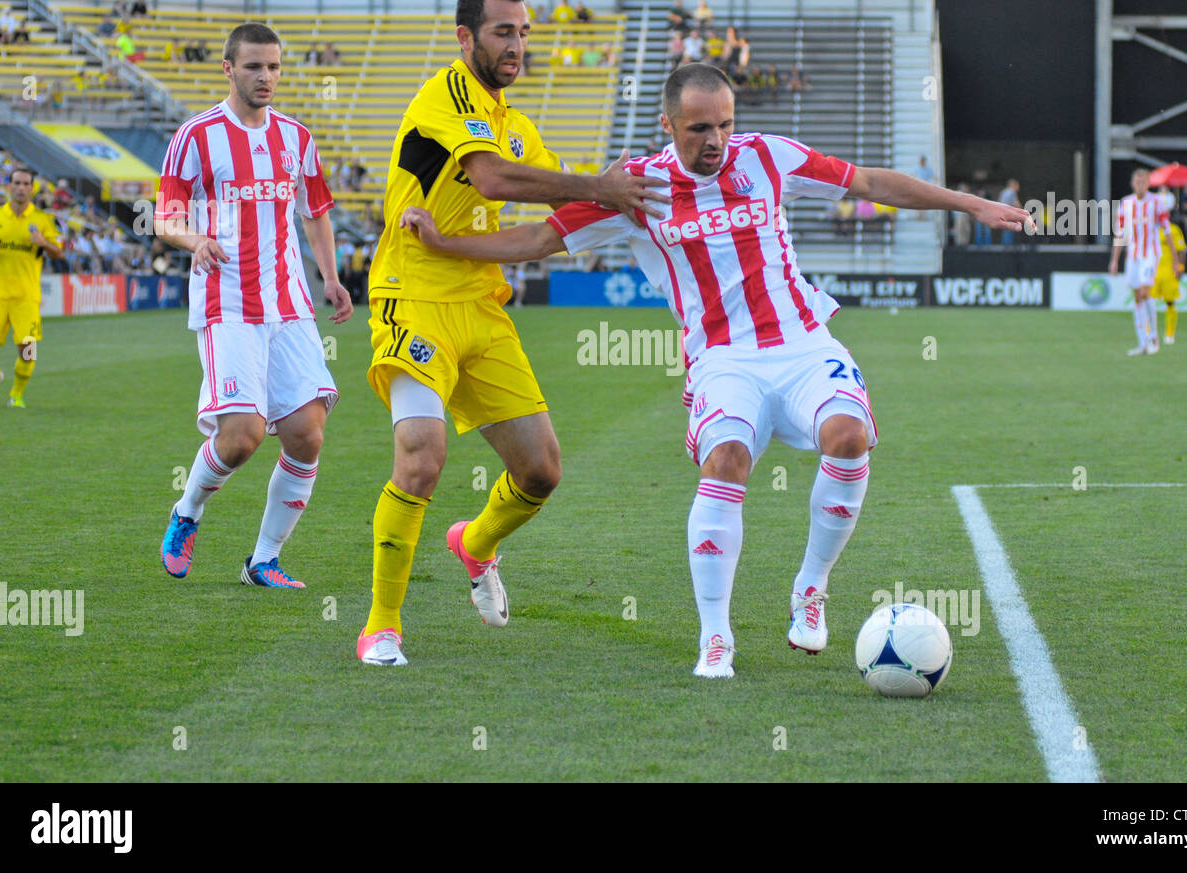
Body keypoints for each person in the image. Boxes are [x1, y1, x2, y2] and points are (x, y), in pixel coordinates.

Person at [399, 62, 1030, 677]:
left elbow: (867, 183)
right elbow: (535, 240)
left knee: (850, 437)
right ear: (668, 124)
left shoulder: (768, 157)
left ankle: (811, 588)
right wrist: (444, 245)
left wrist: (968, 203)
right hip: (723, 359)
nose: (716, 141)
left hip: (805, 343)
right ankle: (716, 636)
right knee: (725, 459)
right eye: (699, 128)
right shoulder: (635, 188)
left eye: (724, 124)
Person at [354, 0, 666, 667]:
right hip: (413, 294)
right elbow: (493, 180)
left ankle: (475, 542)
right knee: (422, 453)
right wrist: (599, 185)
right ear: (465, 38)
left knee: (541, 470)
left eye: (524, 32)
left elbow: (556, 217)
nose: (517, 44)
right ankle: (381, 625)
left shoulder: (519, 127)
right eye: (503, 32)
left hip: (482, 305)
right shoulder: (444, 98)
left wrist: (640, 185)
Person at [155, 22, 353, 590]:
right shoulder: (196, 135)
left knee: (307, 433)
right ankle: (187, 512)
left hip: (289, 301)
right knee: (241, 436)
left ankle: (262, 561)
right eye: (254, 67)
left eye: (273, 67)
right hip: (228, 300)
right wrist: (195, 240)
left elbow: (315, 211)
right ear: (229, 68)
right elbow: (166, 213)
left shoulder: (296, 136)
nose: (266, 77)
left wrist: (331, 278)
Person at [0, 166, 64, 408]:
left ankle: (17, 395)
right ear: (9, 186)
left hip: (26, 296)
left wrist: (43, 243)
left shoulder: (42, 220)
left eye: (26, 184)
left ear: (32, 188)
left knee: (28, 349)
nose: (20, 188)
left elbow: (59, 253)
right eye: (16, 183)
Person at [1109, 167, 1169, 356]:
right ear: (1132, 183)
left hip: (1150, 254)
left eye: (1144, 181)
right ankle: (1143, 342)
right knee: (1137, 297)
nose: (1140, 185)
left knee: (1144, 292)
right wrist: (1114, 260)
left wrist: (1176, 261)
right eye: (1138, 182)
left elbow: (1166, 231)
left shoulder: (1157, 202)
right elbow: (1120, 234)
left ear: (1148, 183)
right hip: (1132, 256)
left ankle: (1153, 338)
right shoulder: (1126, 203)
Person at [1152, 219, 1186, 344]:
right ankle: (1149, 333)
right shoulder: (1151, 229)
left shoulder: (1173, 229)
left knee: (1170, 303)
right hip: (1152, 272)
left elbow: (1181, 250)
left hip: (1169, 272)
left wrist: (1180, 267)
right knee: (1148, 303)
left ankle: (1170, 333)